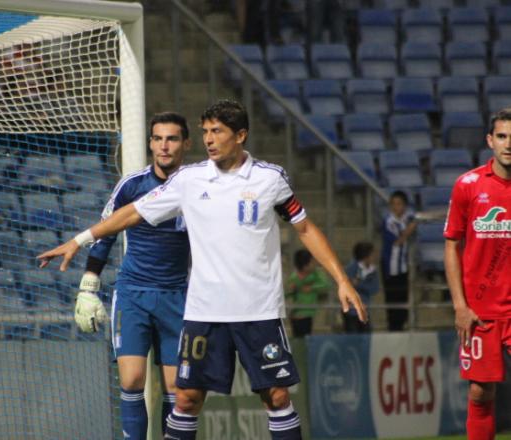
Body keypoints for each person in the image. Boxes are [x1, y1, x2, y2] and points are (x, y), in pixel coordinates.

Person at [37, 100, 366, 440]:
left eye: (217, 131)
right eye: (206, 131)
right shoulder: (190, 180)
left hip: (258, 311)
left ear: (240, 135)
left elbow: (306, 228)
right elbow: (133, 212)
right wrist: (81, 239)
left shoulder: (270, 179)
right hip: (204, 312)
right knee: (186, 398)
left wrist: (341, 279)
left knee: (277, 396)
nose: (209, 139)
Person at [70, 112, 192, 439]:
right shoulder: (132, 185)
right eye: (158, 139)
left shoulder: (198, 187)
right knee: (132, 379)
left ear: (185, 144)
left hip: (177, 297)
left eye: (172, 139)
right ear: (150, 143)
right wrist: (88, 287)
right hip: (133, 294)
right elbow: (105, 233)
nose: (164, 146)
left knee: (177, 391)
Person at [444, 108, 511, 440]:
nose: (508, 144)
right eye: (502, 136)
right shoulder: (467, 185)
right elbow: (451, 246)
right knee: (480, 394)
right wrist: (460, 305)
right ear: (490, 141)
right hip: (480, 310)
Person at [381, 190, 416, 331]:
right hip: (390, 266)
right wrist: (411, 228)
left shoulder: (407, 218)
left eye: (399, 204)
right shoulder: (389, 221)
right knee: (392, 299)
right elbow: (398, 240)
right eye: (394, 204)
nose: (397, 207)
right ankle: (393, 328)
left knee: (403, 299)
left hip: (403, 266)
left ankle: (402, 326)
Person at [285, 249, 330, 337]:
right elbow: (286, 294)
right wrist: (291, 289)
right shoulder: (294, 277)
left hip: (311, 313)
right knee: (298, 339)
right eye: (311, 262)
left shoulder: (316, 274)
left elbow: (326, 285)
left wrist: (311, 288)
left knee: (308, 339)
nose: (313, 264)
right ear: (304, 265)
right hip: (296, 314)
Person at [343, 241, 379, 334]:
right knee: (352, 341)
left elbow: (374, 289)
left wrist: (359, 284)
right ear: (366, 256)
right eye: (372, 254)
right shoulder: (350, 269)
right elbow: (347, 287)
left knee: (366, 340)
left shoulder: (373, 271)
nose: (374, 256)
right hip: (351, 312)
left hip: (365, 311)